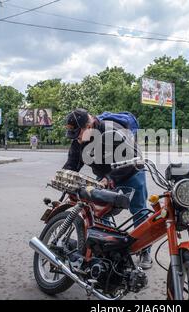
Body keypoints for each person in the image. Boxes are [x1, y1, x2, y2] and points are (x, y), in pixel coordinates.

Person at [62, 108, 152, 269]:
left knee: (139, 211)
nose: (78, 140)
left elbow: (132, 161)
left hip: (131, 171)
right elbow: (73, 164)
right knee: (100, 211)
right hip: (104, 176)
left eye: (79, 135)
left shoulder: (112, 131)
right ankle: (110, 248)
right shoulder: (79, 140)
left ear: (89, 126)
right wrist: (63, 178)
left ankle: (145, 250)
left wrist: (109, 179)